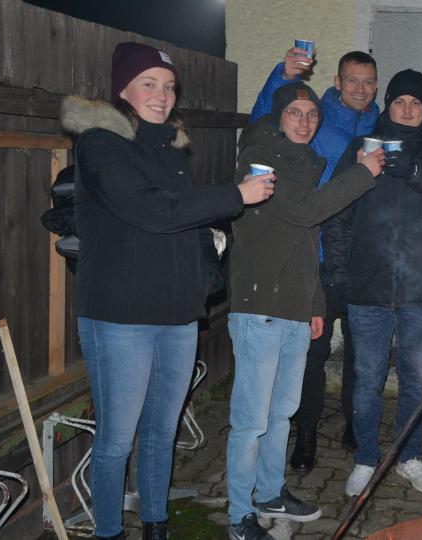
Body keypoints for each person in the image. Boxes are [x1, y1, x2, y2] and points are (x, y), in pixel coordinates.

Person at [62, 42, 273, 540]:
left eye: (170, 86)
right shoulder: (99, 144)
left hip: (177, 314)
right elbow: (153, 211)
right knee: (117, 439)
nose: (162, 95)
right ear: (123, 90)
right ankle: (109, 531)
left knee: (162, 431)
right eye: (149, 84)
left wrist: (206, 264)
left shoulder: (170, 149)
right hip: (120, 317)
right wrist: (234, 196)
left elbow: (183, 223)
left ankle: (156, 525)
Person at [225, 82, 385, 540]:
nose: (305, 121)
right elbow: (306, 211)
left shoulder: (303, 162)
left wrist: (315, 304)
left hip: (295, 308)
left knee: (282, 413)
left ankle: (270, 492)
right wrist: (362, 173)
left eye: (312, 114)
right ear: (278, 117)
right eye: (294, 112)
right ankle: (239, 514)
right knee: (251, 419)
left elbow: (305, 242)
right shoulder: (261, 159)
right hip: (259, 307)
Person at [325, 69, 422, 497]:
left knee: (414, 379)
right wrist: (338, 273)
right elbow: (338, 212)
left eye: (416, 103)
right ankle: (365, 458)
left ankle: (409, 456)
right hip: (367, 286)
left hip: (420, 291)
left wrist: (414, 171)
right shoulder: (363, 146)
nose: (407, 109)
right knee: (367, 378)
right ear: (387, 106)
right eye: (399, 101)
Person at [249, 48, 381, 467]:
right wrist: (282, 75)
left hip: (360, 260)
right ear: (337, 82)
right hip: (316, 256)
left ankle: (354, 424)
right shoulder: (314, 120)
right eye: (352, 80)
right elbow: (262, 124)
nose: (360, 88)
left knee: (361, 355)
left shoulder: (381, 127)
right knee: (311, 355)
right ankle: (305, 434)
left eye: (368, 81)